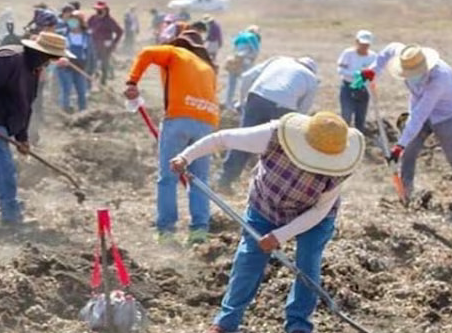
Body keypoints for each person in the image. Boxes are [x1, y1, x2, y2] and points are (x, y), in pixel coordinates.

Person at [171, 112, 364, 333]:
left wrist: (279, 235)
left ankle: (299, 325)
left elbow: (319, 211)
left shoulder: (339, 168)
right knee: (248, 259)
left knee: (307, 265)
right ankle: (227, 321)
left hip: (312, 218)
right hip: (265, 205)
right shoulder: (275, 135)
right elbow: (223, 139)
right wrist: (186, 156)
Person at [0, 31, 72, 226]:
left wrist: (22, 138)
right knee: (4, 168)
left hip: (0, 121)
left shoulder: (33, 69)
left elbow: (25, 106)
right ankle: (11, 216)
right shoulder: (9, 59)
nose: (52, 63)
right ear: (43, 54)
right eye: (52, 58)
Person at [373, 42, 452, 216]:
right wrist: (373, 70)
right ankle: (405, 196)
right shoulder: (407, 57)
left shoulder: (439, 78)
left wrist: (399, 145)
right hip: (420, 110)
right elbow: (389, 50)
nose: (410, 76)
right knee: (409, 154)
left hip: (447, 115)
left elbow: (420, 114)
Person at [124, 30, 219, 245]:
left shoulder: (175, 53)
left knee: (168, 178)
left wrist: (132, 82)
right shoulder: (208, 68)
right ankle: (199, 231)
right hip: (206, 124)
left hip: (179, 120)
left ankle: (166, 230)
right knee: (199, 180)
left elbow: (147, 52)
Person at [218, 56, 320, 192]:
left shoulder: (279, 60)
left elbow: (247, 76)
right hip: (283, 106)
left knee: (243, 139)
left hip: (257, 97)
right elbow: (303, 110)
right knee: (275, 149)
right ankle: (266, 188)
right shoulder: (311, 79)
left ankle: (225, 181)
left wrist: (243, 102)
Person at [336, 30, 377, 131]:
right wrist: (356, 74)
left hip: (363, 89)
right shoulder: (348, 54)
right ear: (357, 42)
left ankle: (359, 140)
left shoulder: (373, 57)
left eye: (366, 45)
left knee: (360, 119)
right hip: (348, 87)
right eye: (362, 44)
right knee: (346, 116)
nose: (364, 47)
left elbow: (375, 73)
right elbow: (340, 70)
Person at [55, 10, 91, 113]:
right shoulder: (63, 36)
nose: (72, 23)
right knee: (66, 90)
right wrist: (61, 58)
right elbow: (57, 51)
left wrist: (91, 69)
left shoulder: (86, 37)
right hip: (65, 67)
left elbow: (91, 54)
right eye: (71, 21)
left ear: (80, 22)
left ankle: (83, 113)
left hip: (80, 67)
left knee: (82, 91)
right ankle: (64, 112)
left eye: (75, 21)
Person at [223, 25, 262, 108]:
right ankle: (243, 103)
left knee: (231, 83)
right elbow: (255, 51)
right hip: (245, 62)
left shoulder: (239, 36)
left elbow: (234, 49)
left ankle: (228, 103)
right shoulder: (252, 37)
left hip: (235, 60)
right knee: (246, 82)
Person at [88, 1, 124, 85]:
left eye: (100, 10)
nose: (98, 11)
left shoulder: (109, 21)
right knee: (91, 64)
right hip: (93, 45)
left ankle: (103, 82)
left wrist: (114, 43)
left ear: (105, 10)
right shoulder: (92, 18)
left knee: (104, 65)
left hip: (105, 47)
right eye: (97, 9)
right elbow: (86, 27)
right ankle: (90, 81)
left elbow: (120, 31)